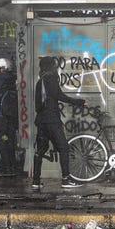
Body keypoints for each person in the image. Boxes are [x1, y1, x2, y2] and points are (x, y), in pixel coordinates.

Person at [32, 56, 85, 190]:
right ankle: (66, 179)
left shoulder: (40, 81)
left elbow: (38, 105)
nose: (56, 67)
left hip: (42, 121)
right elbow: (60, 97)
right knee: (64, 148)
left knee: (40, 150)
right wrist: (79, 102)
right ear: (51, 66)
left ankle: (36, 181)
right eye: (54, 65)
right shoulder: (51, 79)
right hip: (51, 121)